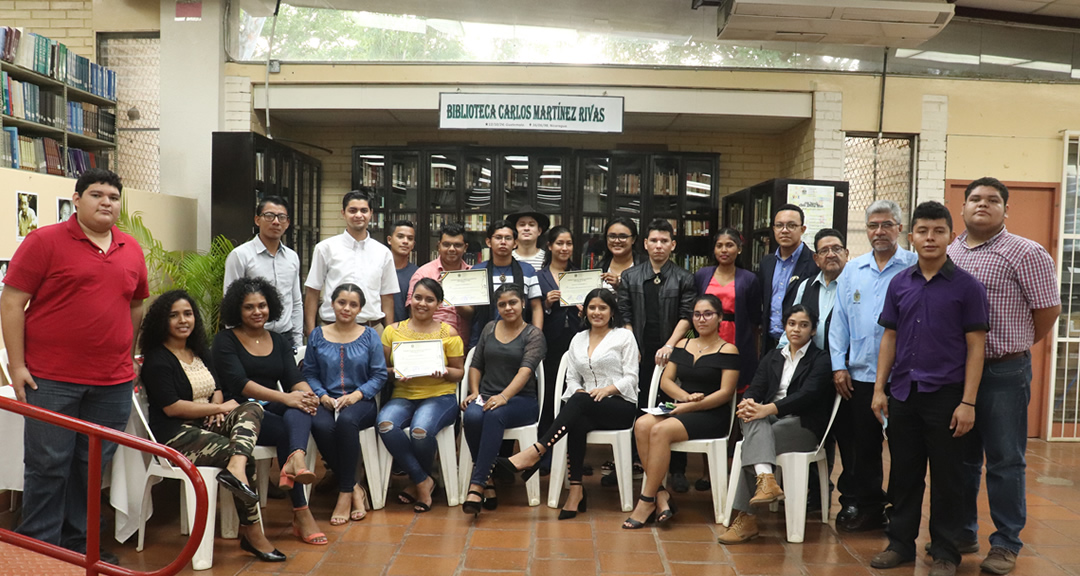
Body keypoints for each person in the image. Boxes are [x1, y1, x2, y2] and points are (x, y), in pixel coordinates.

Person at [2, 168, 146, 565]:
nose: (106, 202)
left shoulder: (131, 248)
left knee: (92, 469)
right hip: (50, 378)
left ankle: (81, 548)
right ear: (77, 199)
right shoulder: (44, 241)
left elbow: (136, 304)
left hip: (112, 383)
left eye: (113, 197)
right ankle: (41, 549)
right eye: (97, 194)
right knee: (49, 466)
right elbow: (12, 302)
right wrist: (16, 366)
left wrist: (129, 354)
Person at [869, 201, 989, 576]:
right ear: (912, 236)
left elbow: (976, 346)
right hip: (904, 393)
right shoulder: (899, 283)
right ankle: (901, 544)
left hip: (948, 397)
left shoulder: (967, 287)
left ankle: (945, 552)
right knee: (903, 474)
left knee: (948, 478)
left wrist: (968, 401)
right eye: (923, 231)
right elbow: (889, 337)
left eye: (938, 231)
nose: (930, 238)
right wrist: (878, 389)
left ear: (951, 237)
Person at [947, 177, 1059, 575]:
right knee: (960, 459)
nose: (983, 204)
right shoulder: (948, 250)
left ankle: (1006, 542)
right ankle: (962, 532)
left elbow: (1046, 310)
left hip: (1004, 370)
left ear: (1005, 210)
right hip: (955, 374)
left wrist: (1017, 344)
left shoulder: (1026, 252)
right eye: (975, 198)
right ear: (962, 207)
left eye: (993, 200)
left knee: (1005, 460)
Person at [139, 290, 284, 562]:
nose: (183, 320)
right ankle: (253, 533)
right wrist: (218, 408)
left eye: (188, 313)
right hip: (175, 434)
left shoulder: (198, 351)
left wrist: (217, 402)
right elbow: (173, 407)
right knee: (240, 454)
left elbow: (217, 386)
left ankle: (236, 469)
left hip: (206, 424)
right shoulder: (158, 359)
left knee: (252, 407)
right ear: (162, 321)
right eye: (174, 315)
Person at [497, 288, 638, 519]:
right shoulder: (578, 339)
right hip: (585, 405)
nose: (597, 312)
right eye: (592, 307)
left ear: (612, 311)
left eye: (602, 307)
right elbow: (572, 378)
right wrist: (579, 392)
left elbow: (631, 376)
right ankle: (575, 491)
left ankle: (536, 451)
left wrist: (607, 390)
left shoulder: (624, 336)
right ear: (584, 310)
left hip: (619, 405)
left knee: (579, 404)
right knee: (577, 420)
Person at [213, 277, 325, 546]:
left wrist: (307, 394)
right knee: (290, 419)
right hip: (240, 413)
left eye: (262, 305)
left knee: (301, 409)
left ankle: (294, 461)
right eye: (249, 307)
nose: (257, 312)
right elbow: (240, 384)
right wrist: (288, 398)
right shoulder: (225, 341)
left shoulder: (277, 340)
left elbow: (292, 378)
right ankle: (301, 510)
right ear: (237, 311)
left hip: (273, 403)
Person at [829, 200, 917, 532]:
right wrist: (839, 365)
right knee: (862, 447)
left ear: (899, 227)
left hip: (904, 376)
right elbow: (838, 322)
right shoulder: (853, 269)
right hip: (860, 374)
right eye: (872, 226)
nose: (879, 231)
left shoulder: (913, 266)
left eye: (886, 224)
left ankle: (901, 511)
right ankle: (868, 507)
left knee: (904, 447)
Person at [718, 305, 834, 544]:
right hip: (769, 420)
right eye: (792, 324)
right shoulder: (773, 356)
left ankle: (747, 518)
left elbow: (807, 395)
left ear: (813, 331)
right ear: (785, 326)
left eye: (804, 325)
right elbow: (756, 387)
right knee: (749, 417)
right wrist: (748, 402)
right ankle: (766, 480)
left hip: (804, 425)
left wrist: (767, 409)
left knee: (755, 437)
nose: (796, 329)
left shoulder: (821, 359)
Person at [622, 295, 739, 529]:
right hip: (682, 407)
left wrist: (690, 405)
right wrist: (685, 398)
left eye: (708, 314)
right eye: (697, 314)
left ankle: (646, 501)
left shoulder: (729, 350)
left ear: (720, 318)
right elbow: (667, 381)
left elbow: (725, 393)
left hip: (712, 414)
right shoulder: (682, 345)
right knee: (643, 424)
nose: (701, 319)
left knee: (660, 431)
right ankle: (661, 495)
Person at [616, 218, 696, 488]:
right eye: (654, 241)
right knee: (637, 405)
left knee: (671, 405)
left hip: (672, 351)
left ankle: (677, 469)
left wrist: (670, 346)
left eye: (665, 241)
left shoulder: (685, 278)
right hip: (638, 351)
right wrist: (632, 345)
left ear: (672, 245)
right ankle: (639, 463)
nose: (659, 245)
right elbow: (625, 313)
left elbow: (687, 316)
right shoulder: (630, 276)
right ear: (645, 244)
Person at [378, 278, 465, 513]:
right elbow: (380, 371)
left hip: (440, 396)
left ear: (438, 304)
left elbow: (459, 372)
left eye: (429, 299)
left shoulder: (449, 332)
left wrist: (445, 371)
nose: (422, 303)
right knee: (385, 424)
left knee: (420, 431)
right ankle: (423, 480)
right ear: (410, 299)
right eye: (418, 297)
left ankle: (415, 483)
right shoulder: (392, 331)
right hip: (403, 395)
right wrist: (395, 373)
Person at [776, 229, 848, 514]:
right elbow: (794, 323)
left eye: (836, 248)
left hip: (846, 373)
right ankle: (812, 492)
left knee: (844, 435)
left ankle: (845, 498)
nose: (831, 254)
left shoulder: (854, 284)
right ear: (816, 258)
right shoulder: (806, 285)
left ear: (846, 254)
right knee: (816, 427)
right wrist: (782, 355)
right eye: (824, 251)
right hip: (810, 370)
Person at [303, 283, 387, 525]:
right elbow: (309, 373)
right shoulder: (317, 335)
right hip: (326, 400)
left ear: (360, 308)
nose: (346, 308)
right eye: (342, 302)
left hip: (361, 402)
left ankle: (343, 493)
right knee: (320, 425)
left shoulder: (370, 335)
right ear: (332, 304)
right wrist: (321, 395)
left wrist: (357, 395)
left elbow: (379, 375)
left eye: (353, 304)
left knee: (347, 423)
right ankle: (354, 488)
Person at [460, 283, 545, 516]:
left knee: (494, 414)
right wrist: (474, 392)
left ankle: (477, 484)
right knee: (473, 415)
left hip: (521, 401)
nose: (508, 308)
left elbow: (525, 372)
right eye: (502, 304)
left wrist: (504, 396)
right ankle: (488, 482)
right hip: (486, 397)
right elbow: (476, 365)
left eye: (513, 302)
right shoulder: (489, 328)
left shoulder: (533, 334)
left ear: (523, 303)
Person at [305, 189, 399, 337]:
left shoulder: (383, 252)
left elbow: (387, 297)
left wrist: (388, 335)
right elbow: (312, 292)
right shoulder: (325, 248)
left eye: (364, 210)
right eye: (352, 210)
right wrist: (310, 332)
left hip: (371, 330)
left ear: (370, 213)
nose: (358, 215)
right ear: (343, 213)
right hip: (331, 329)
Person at [223, 195, 303, 347]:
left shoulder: (292, 257)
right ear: (257, 220)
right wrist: (236, 343)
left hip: (285, 338)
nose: (276, 221)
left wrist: (297, 342)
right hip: (251, 337)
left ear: (287, 223)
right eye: (269, 216)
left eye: (281, 217)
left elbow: (296, 302)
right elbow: (230, 303)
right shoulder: (240, 256)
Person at [693, 227, 762, 393]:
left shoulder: (749, 278)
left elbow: (754, 318)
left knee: (736, 384)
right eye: (719, 245)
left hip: (737, 336)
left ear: (739, 249)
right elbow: (693, 310)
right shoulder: (702, 274)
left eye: (729, 245)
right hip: (706, 332)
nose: (724, 250)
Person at [536, 225, 585, 450]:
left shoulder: (581, 275)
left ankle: (572, 453)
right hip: (550, 343)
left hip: (577, 342)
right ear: (549, 246)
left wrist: (585, 311)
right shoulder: (539, 277)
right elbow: (530, 314)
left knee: (574, 396)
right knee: (548, 396)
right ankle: (545, 452)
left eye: (569, 244)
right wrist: (546, 304)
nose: (564, 248)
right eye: (559, 243)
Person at [468, 220, 544, 349]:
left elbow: (536, 307)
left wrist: (536, 337)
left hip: (521, 340)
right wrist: (455, 301)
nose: (503, 242)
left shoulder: (528, 270)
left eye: (508, 238)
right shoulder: (477, 271)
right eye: (498, 238)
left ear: (515, 243)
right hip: (483, 339)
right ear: (488, 242)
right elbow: (471, 311)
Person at [758, 204, 818, 352]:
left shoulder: (814, 262)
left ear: (802, 229)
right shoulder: (767, 262)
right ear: (773, 229)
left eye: (791, 225)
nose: (784, 230)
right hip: (770, 341)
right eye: (779, 225)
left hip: (800, 343)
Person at [407, 223, 473, 337]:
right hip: (431, 341)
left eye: (457, 245)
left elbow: (473, 315)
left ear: (465, 247)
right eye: (446, 244)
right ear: (438, 246)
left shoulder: (472, 274)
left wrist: (452, 293)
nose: (452, 249)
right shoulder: (423, 274)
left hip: (464, 344)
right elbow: (413, 313)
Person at [597, 217, 644, 293]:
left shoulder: (645, 266)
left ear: (633, 239)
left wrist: (620, 286)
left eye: (623, 237)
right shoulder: (601, 266)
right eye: (612, 236)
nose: (617, 241)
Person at [387, 220, 418, 323]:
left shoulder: (418, 273)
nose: (405, 241)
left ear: (413, 244)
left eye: (410, 238)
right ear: (389, 240)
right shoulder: (378, 270)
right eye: (400, 236)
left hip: (407, 332)